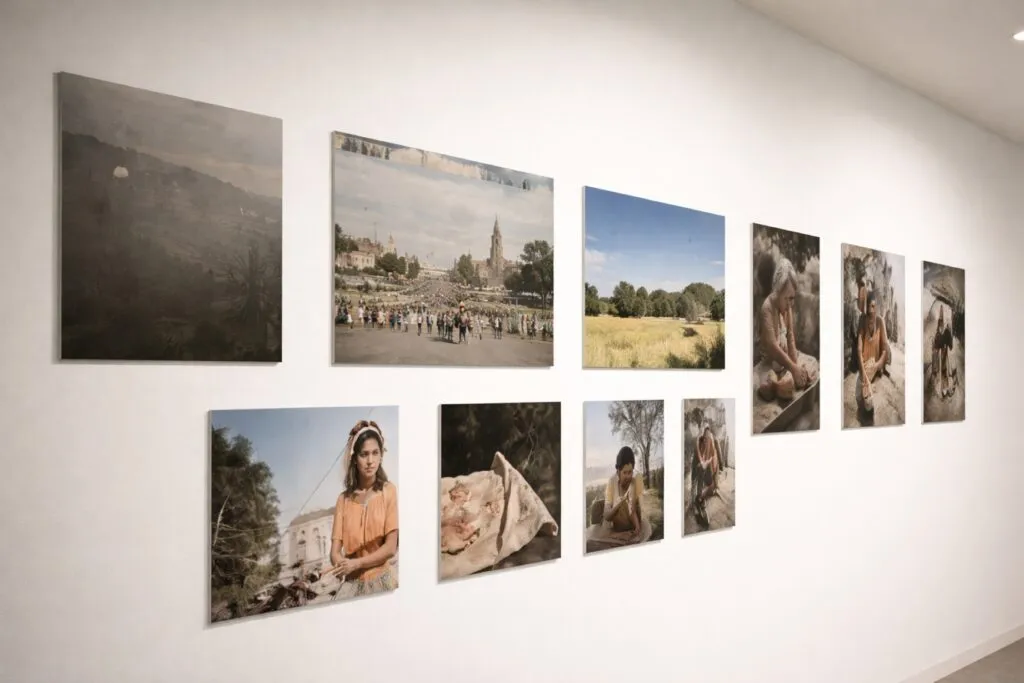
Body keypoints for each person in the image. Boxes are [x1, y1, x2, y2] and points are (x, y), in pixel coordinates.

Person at [328, 420, 399, 598]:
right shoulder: (343, 500)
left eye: (375, 453)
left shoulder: (389, 491)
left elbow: (390, 548)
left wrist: (357, 563)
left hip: (382, 580)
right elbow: (334, 552)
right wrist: (342, 564)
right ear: (354, 459)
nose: (370, 461)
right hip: (352, 584)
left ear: (381, 456)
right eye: (364, 454)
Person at [756, 256, 816, 402]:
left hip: (786, 361)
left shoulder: (787, 306)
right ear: (777, 292)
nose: (791, 303)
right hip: (769, 364)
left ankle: (789, 380)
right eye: (788, 298)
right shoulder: (767, 308)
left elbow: (790, 337)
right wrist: (793, 368)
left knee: (812, 366)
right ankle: (776, 386)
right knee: (772, 386)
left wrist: (795, 367)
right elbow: (772, 346)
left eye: (793, 298)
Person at [586, 447, 652, 549]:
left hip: (628, 527)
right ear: (618, 471)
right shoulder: (612, 482)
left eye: (630, 472)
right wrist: (617, 505)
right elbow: (607, 516)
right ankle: (618, 538)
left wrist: (637, 527)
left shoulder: (633, 482)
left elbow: (632, 510)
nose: (628, 476)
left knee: (644, 532)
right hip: (613, 528)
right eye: (625, 473)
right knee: (592, 540)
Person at [857, 290, 891, 414]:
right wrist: (864, 375)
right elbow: (859, 349)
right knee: (861, 396)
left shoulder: (880, 321)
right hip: (865, 366)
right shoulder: (862, 321)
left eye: (873, 306)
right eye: (868, 307)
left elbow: (885, 349)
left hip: (875, 366)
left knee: (871, 401)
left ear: (876, 307)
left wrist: (877, 365)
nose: (871, 310)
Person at [932, 305, 955, 398]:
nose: (941, 327)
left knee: (945, 371)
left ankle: (947, 388)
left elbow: (950, 344)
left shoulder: (946, 332)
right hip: (941, 358)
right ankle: (943, 389)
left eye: (942, 325)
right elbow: (936, 345)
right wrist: (938, 347)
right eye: (940, 325)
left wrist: (948, 345)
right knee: (941, 372)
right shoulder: (938, 333)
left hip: (945, 356)